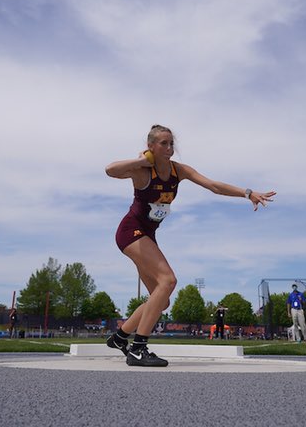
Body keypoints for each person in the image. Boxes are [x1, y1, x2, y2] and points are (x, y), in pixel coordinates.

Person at [104, 124, 275, 367]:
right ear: (151, 146)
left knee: (161, 300)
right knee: (169, 281)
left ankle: (121, 337)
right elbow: (110, 170)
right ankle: (138, 348)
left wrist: (247, 193)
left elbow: (213, 186)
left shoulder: (179, 171)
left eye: (171, 143)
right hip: (131, 232)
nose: (169, 148)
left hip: (147, 236)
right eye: (163, 143)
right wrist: (139, 161)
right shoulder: (143, 171)